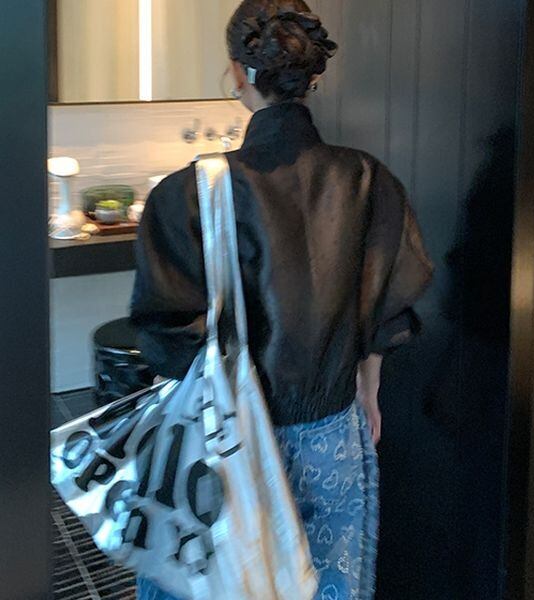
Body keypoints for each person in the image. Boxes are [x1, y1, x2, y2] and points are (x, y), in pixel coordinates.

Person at [132, 1, 433, 598]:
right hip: (330, 431)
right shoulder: (369, 180)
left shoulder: (186, 193)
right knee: (325, 580)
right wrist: (367, 389)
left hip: (224, 439)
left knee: (218, 582)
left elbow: (167, 339)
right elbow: (386, 311)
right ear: (312, 76)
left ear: (238, 73)